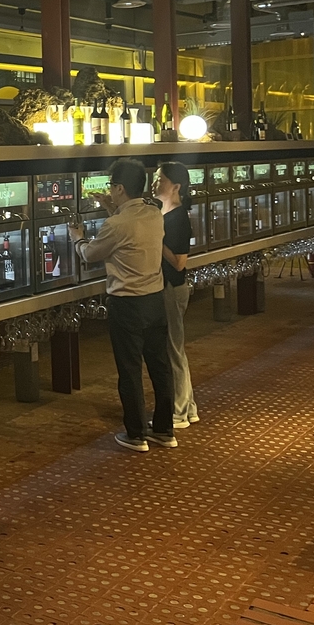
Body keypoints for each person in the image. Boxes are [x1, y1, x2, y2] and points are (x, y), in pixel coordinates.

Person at [70, 158, 176, 453]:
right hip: (155, 301)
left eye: (111, 186)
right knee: (160, 368)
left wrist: (77, 238)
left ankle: (136, 434)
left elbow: (90, 254)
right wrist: (111, 207)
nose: (109, 191)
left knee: (129, 371)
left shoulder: (116, 224)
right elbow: (129, 227)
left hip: (127, 305)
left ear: (119, 188)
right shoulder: (154, 213)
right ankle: (164, 430)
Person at [156, 162, 199, 429]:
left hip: (173, 287)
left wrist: (156, 240)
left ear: (176, 186)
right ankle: (189, 407)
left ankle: (179, 412)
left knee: (173, 349)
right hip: (165, 286)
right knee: (173, 348)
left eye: (160, 179)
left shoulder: (179, 218)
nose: (155, 183)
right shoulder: (163, 212)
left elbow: (180, 263)